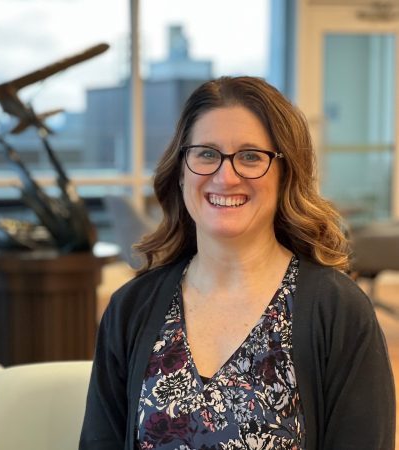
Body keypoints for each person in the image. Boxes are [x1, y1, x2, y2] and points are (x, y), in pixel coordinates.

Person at [79, 76, 395, 450]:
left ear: (285, 173)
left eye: (250, 156)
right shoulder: (131, 308)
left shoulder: (338, 311)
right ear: (181, 171)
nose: (226, 176)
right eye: (207, 153)